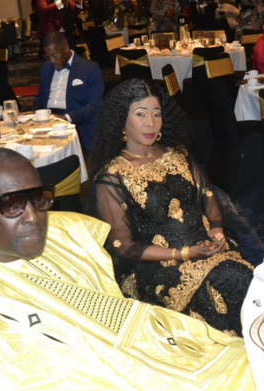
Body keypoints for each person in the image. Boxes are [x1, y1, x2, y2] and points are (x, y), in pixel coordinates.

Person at [0, 148, 261, 391]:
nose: (32, 217)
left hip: (148, 354)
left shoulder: (53, 236)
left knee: (257, 364)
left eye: (37, 198)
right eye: (10, 204)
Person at [85, 79, 254, 336]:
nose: (151, 123)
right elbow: (126, 248)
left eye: (156, 114)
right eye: (140, 114)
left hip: (207, 249)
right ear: (123, 120)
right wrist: (186, 253)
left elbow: (207, 195)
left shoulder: (177, 154)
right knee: (225, 283)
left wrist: (217, 231)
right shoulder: (112, 177)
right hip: (159, 266)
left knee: (246, 278)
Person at [33, 31, 103, 150]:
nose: (52, 61)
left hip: (75, 122)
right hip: (48, 121)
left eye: (54, 55)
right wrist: (37, 117)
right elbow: (40, 98)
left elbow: (95, 106)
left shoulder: (89, 68)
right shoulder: (46, 67)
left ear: (65, 47)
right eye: (48, 57)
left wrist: (64, 118)